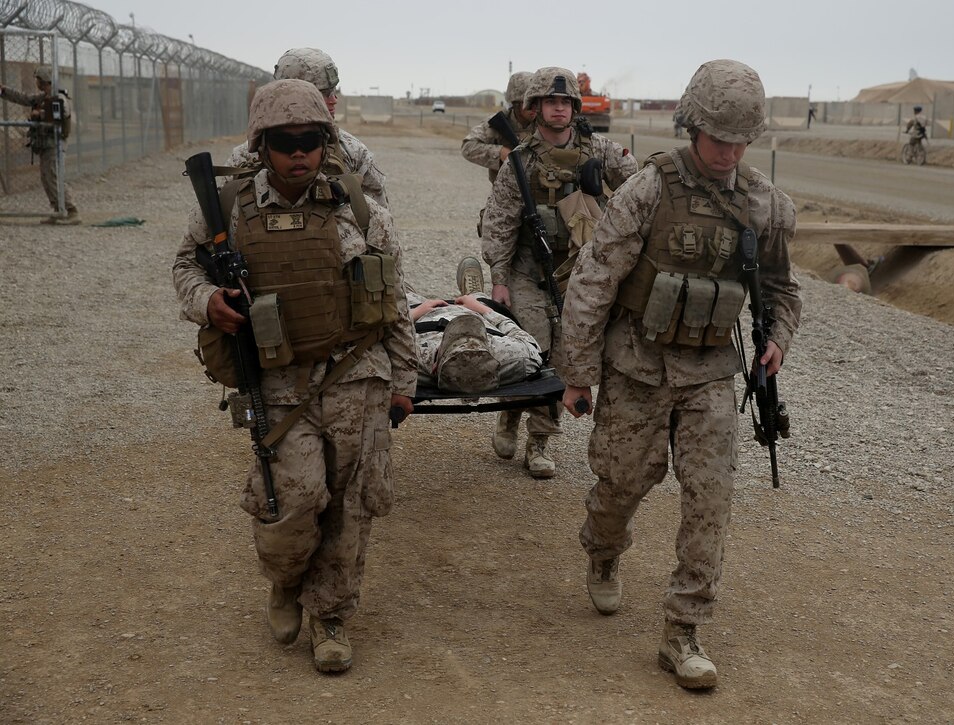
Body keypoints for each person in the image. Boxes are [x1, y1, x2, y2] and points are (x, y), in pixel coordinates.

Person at [556, 59, 802, 689]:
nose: (729, 151)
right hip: (636, 364)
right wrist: (578, 372)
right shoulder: (649, 189)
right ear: (692, 126)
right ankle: (603, 551)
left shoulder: (765, 205)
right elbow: (594, 278)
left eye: (742, 140)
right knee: (621, 483)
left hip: (712, 371)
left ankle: (683, 629)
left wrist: (776, 338)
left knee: (709, 498)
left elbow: (781, 288)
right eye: (719, 137)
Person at [172, 79, 417, 673]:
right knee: (296, 497)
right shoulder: (227, 211)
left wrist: (406, 381)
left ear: (325, 141)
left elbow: (395, 298)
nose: (299, 152)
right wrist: (208, 301)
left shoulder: (360, 210)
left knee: (351, 507)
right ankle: (285, 582)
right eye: (286, 142)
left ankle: (331, 614)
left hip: (356, 375)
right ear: (262, 146)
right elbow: (184, 266)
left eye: (310, 139)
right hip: (280, 383)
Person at [480, 65, 637, 478]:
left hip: (578, 273)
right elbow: (499, 223)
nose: (559, 109)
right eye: (551, 101)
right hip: (528, 270)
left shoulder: (600, 151)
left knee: (568, 354)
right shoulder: (520, 160)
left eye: (565, 102)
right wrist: (499, 279)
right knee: (536, 347)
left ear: (574, 107)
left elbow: (638, 187)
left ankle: (539, 442)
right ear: (535, 108)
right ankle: (512, 413)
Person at [223, 48, 389, 208]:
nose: (334, 100)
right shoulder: (245, 157)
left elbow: (374, 217)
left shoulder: (353, 152)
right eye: (322, 93)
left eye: (333, 91)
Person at [408, 257, 543, 393]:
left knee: (401, 297)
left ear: (434, 366)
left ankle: (407, 293)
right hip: (478, 315)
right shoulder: (510, 357)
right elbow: (528, 343)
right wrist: (483, 309)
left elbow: (391, 330)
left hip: (423, 316)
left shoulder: (411, 360)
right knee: (479, 300)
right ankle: (475, 294)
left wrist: (413, 313)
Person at [0, 66, 79, 224]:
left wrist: (40, 114)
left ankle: (71, 211)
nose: (36, 82)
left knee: (53, 176)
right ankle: (59, 210)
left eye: (38, 79)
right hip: (46, 144)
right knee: (46, 178)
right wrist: (4, 91)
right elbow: (25, 98)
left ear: (44, 81)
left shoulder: (59, 97)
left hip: (55, 144)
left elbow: (61, 114)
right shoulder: (44, 97)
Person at [461, 71, 537, 184]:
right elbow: (468, 147)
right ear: (516, 103)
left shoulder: (545, 123)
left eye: (538, 102)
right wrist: (500, 152)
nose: (534, 108)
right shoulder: (498, 123)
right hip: (505, 194)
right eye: (529, 103)